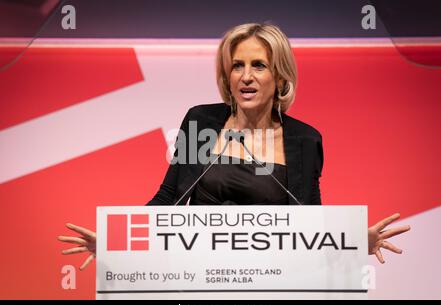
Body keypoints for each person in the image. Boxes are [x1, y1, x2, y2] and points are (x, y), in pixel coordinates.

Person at [58, 23, 410, 270]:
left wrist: (349, 242)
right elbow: (169, 199)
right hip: (195, 277)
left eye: (259, 65)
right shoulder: (202, 122)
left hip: (271, 282)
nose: (245, 76)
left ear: (281, 76)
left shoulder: (304, 140)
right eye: (236, 66)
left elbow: (310, 222)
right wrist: (116, 240)